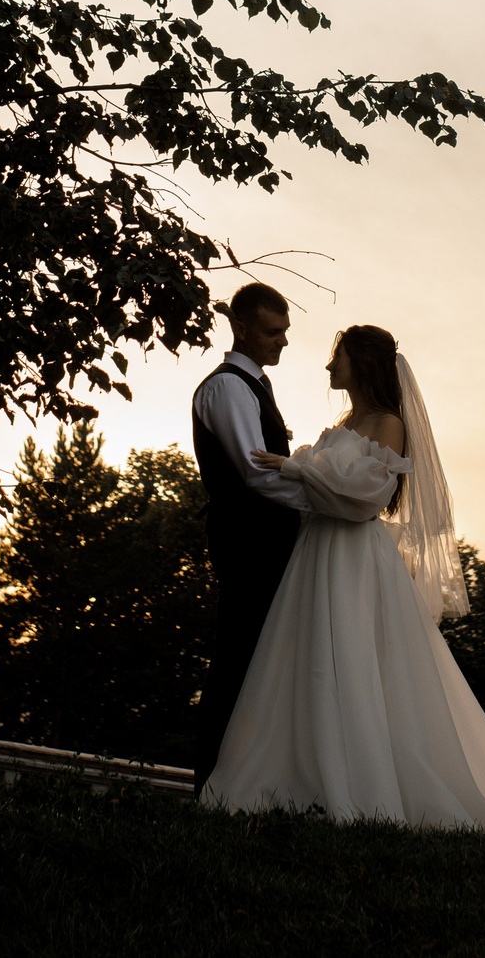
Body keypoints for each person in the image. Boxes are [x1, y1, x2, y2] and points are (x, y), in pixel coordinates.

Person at [202, 323, 485, 842]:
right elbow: (335, 488)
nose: (330, 367)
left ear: (364, 364)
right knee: (307, 659)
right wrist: (302, 473)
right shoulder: (347, 421)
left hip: (353, 557)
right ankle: (299, 777)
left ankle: (361, 785)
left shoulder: (388, 424)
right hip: (317, 553)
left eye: (340, 358)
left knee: (356, 660)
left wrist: (299, 469)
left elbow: (369, 498)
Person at [187, 283, 304, 791]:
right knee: (238, 657)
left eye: (285, 332)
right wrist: (328, 499)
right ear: (240, 327)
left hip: (268, 540)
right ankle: (211, 781)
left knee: (263, 659)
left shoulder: (254, 385)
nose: (282, 341)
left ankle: (250, 782)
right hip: (247, 542)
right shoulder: (230, 387)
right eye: (271, 331)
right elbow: (257, 474)